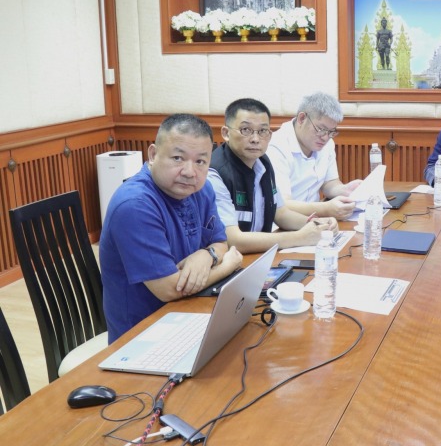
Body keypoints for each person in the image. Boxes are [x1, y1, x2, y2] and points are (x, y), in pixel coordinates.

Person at [100, 114, 243, 342]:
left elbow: (220, 242)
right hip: (142, 336)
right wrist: (227, 265)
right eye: (178, 158)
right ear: (153, 155)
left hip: (189, 315)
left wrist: (207, 255)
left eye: (200, 161)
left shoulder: (201, 189)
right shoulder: (135, 205)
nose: (189, 172)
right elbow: (169, 289)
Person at [208, 98, 338, 252]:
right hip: (232, 260)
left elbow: (280, 213)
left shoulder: (263, 162)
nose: (255, 139)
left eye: (262, 131)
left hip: (260, 256)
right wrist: (300, 237)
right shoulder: (214, 173)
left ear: (269, 135)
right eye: (246, 130)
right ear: (226, 133)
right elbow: (233, 240)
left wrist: (316, 224)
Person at [266, 92, 362, 221]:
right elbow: (283, 204)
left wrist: (345, 190)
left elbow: (329, 183)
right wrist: (326, 208)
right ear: (302, 119)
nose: (325, 137)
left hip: (316, 220)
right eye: (321, 129)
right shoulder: (276, 147)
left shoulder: (327, 144)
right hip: (284, 225)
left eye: (331, 132)